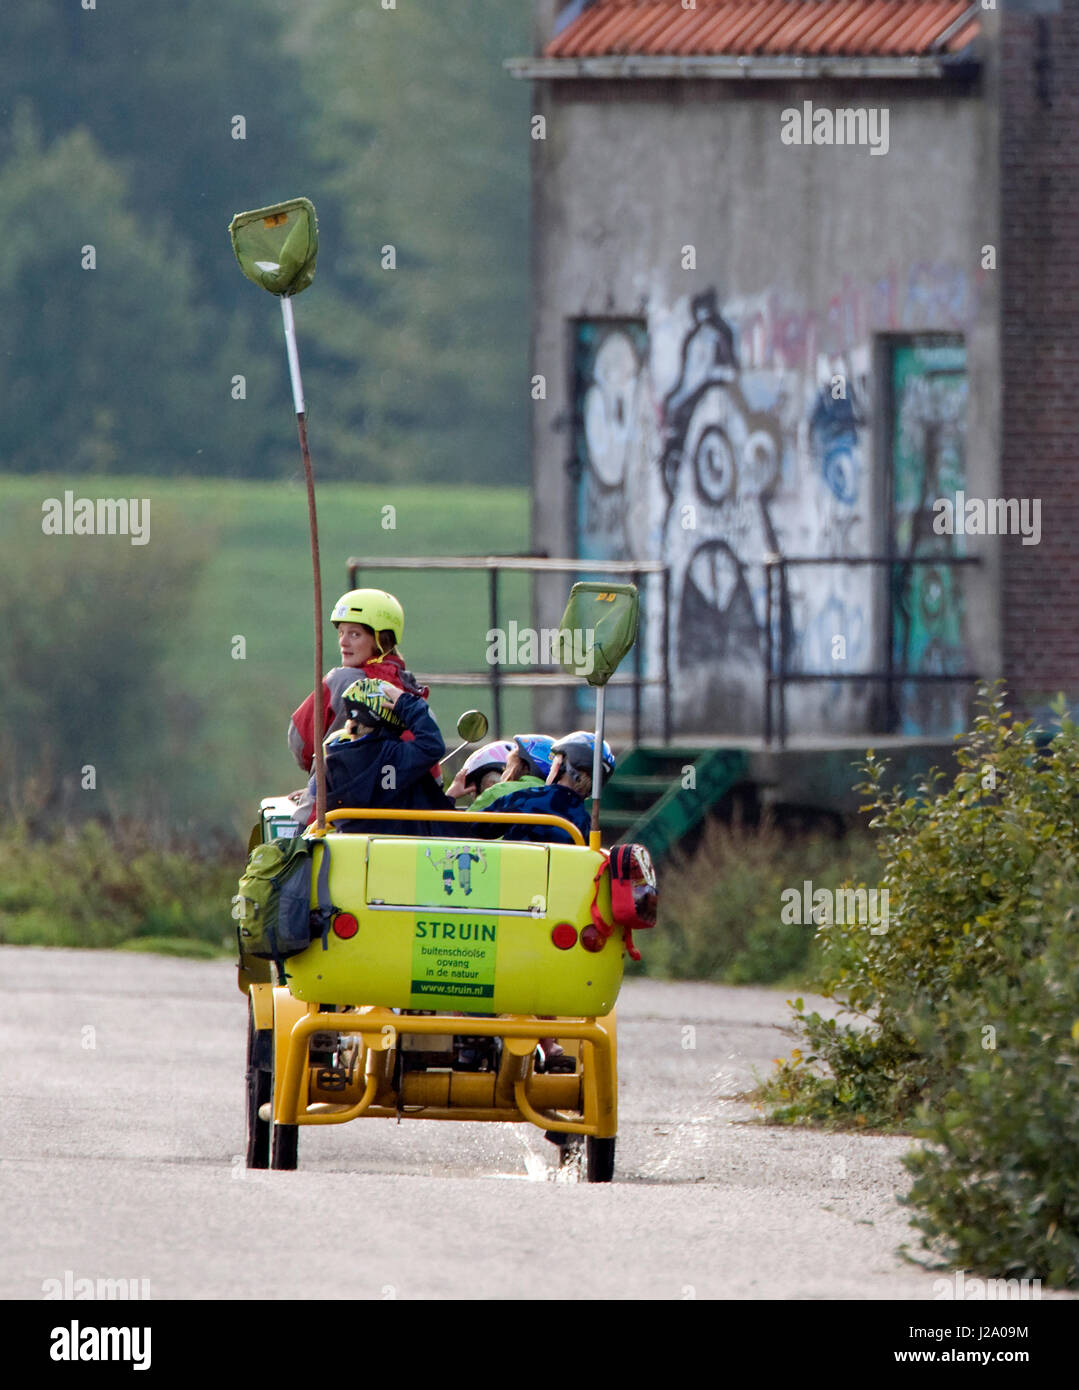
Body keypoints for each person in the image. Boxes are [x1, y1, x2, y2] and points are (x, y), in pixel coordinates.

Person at [287, 588, 428, 775]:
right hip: (406, 800)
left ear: (381, 640)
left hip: (342, 795)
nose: (343, 642)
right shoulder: (410, 689)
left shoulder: (342, 680)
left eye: (355, 634)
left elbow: (299, 742)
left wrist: (317, 783)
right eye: (341, 633)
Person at [294, 678, 451, 833]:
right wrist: (407, 704)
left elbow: (315, 792)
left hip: (351, 850)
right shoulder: (392, 755)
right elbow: (432, 746)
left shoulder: (329, 760)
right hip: (400, 851)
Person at [492, 731, 616, 845]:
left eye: (554, 762)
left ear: (560, 767)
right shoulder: (586, 825)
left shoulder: (526, 798)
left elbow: (476, 827)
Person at [445, 740, 515, 805]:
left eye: (492, 782)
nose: (472, 794)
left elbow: (440, 818)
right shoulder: (523, 807)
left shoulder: (481, 813)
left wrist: (450, 795)